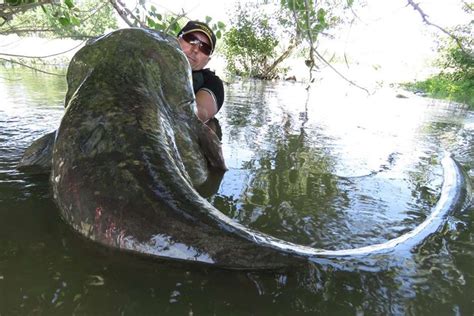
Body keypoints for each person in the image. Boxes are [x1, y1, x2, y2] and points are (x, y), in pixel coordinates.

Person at [177, 21, 224, 124]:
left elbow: (198, 114)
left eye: (204, 48)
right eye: (191, 40)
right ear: (176, 40)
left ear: (208, 60)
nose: (195, 50)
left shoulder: (212, 82)